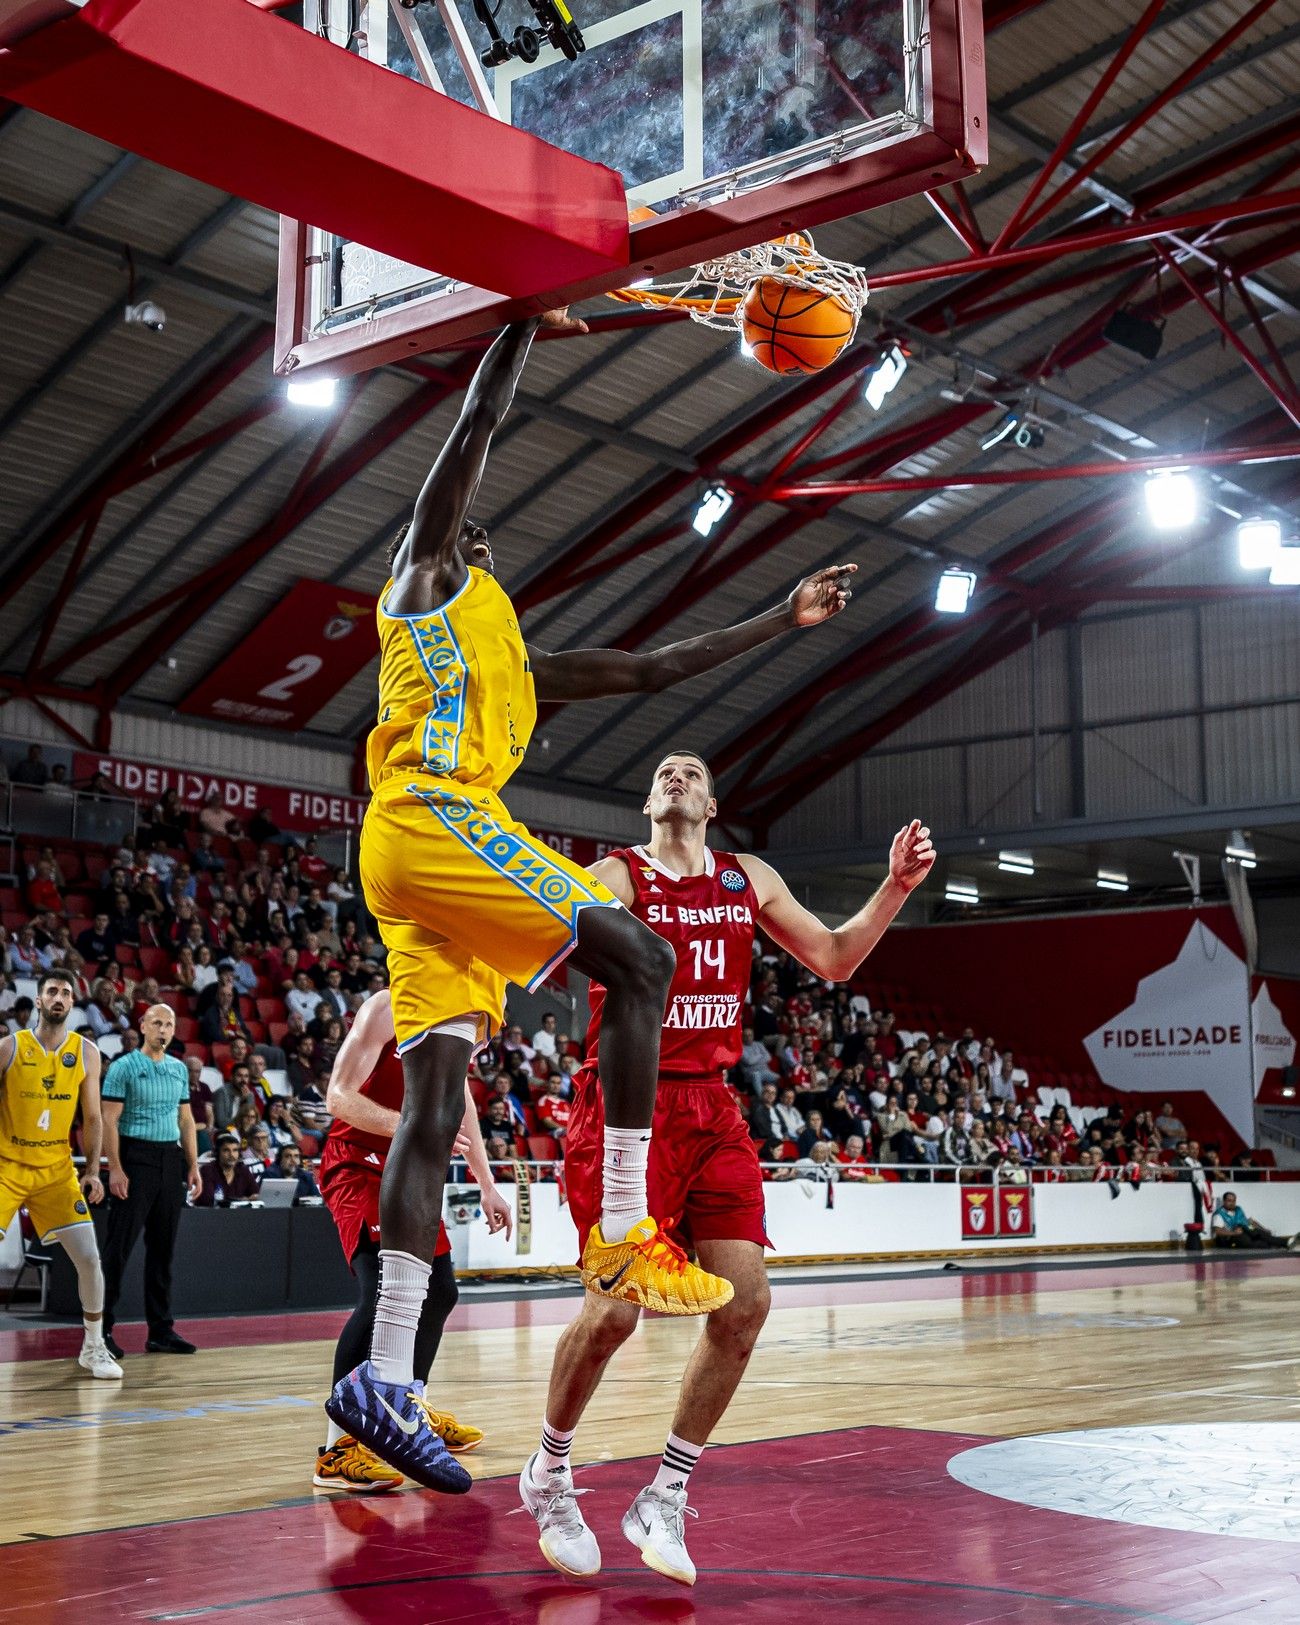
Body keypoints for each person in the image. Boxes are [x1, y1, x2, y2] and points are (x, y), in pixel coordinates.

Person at [330, 313, 859, 1490]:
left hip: (424, 872)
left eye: (473, 523)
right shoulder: (420, 580)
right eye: (452, 512)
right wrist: (522, 321)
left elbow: (649, 667)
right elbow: (474, 423)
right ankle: (626, 1217)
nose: (464, 519)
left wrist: (781, 621)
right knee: (640, 953)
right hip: (428, 814)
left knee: (430, 1097)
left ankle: (383, 1376)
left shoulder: (509, 651)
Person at [521, 751, 934, 1585]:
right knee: (613, 1317)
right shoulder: (615, 874)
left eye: (692, 770)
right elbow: (535, 944)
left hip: (711, 1107)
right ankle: (549, 1471)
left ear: (712, 802)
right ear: (647, 800)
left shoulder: (749, 878)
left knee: (747, 1303)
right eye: (664, 771)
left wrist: (894, 887)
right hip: (626, 1110)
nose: (676, 775)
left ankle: (666, 1493)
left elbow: (836, 957)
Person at [320, 991, 511, 1492]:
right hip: (359, 1159)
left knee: (441, 1292)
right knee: (381, 1293)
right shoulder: (388, 1005)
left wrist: (486, 1183)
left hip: (412, 1165)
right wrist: (413, 1128)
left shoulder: (480, 1004)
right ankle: (338, 1448)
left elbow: (460, 1097)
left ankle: (407, 1407)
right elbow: (337, 1097)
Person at [0, 971, 121, 1380]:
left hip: (56, 1170)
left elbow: (91, 1117)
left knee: (88, 1258)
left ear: (72, 1003)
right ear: (37, 1000)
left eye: (67, 993)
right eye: (51, 991)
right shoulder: (9, 1047)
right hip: (7, 1166)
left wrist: (92, 1171)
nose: (59, 998)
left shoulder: (86, 1052)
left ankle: (93, 1346)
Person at [99, 1004, 203, 1358]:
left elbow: (186, 1121)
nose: (163, 1029)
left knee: (163, 1251)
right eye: (157, 1022)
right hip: (135, 1158)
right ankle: (101, 1330)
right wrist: (114, 1168)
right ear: (142, 1026)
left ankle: (160, 1331)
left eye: (169, 1023)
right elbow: (109, 1121)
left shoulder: (177, 1069)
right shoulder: (123, 1067)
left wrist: (193, 1165)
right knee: (118, 1249)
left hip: (169, 1159)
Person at [195, 1132, 262, 1207]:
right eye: (226, 1150)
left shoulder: (243, 1170)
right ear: (217, 1153)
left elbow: (256, 1194)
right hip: (211, 1215)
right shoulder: (207, 1170)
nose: (232, 1155)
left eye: (235, 1150)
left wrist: (251, 1198)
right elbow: (208, 1200)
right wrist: (243, 1200)